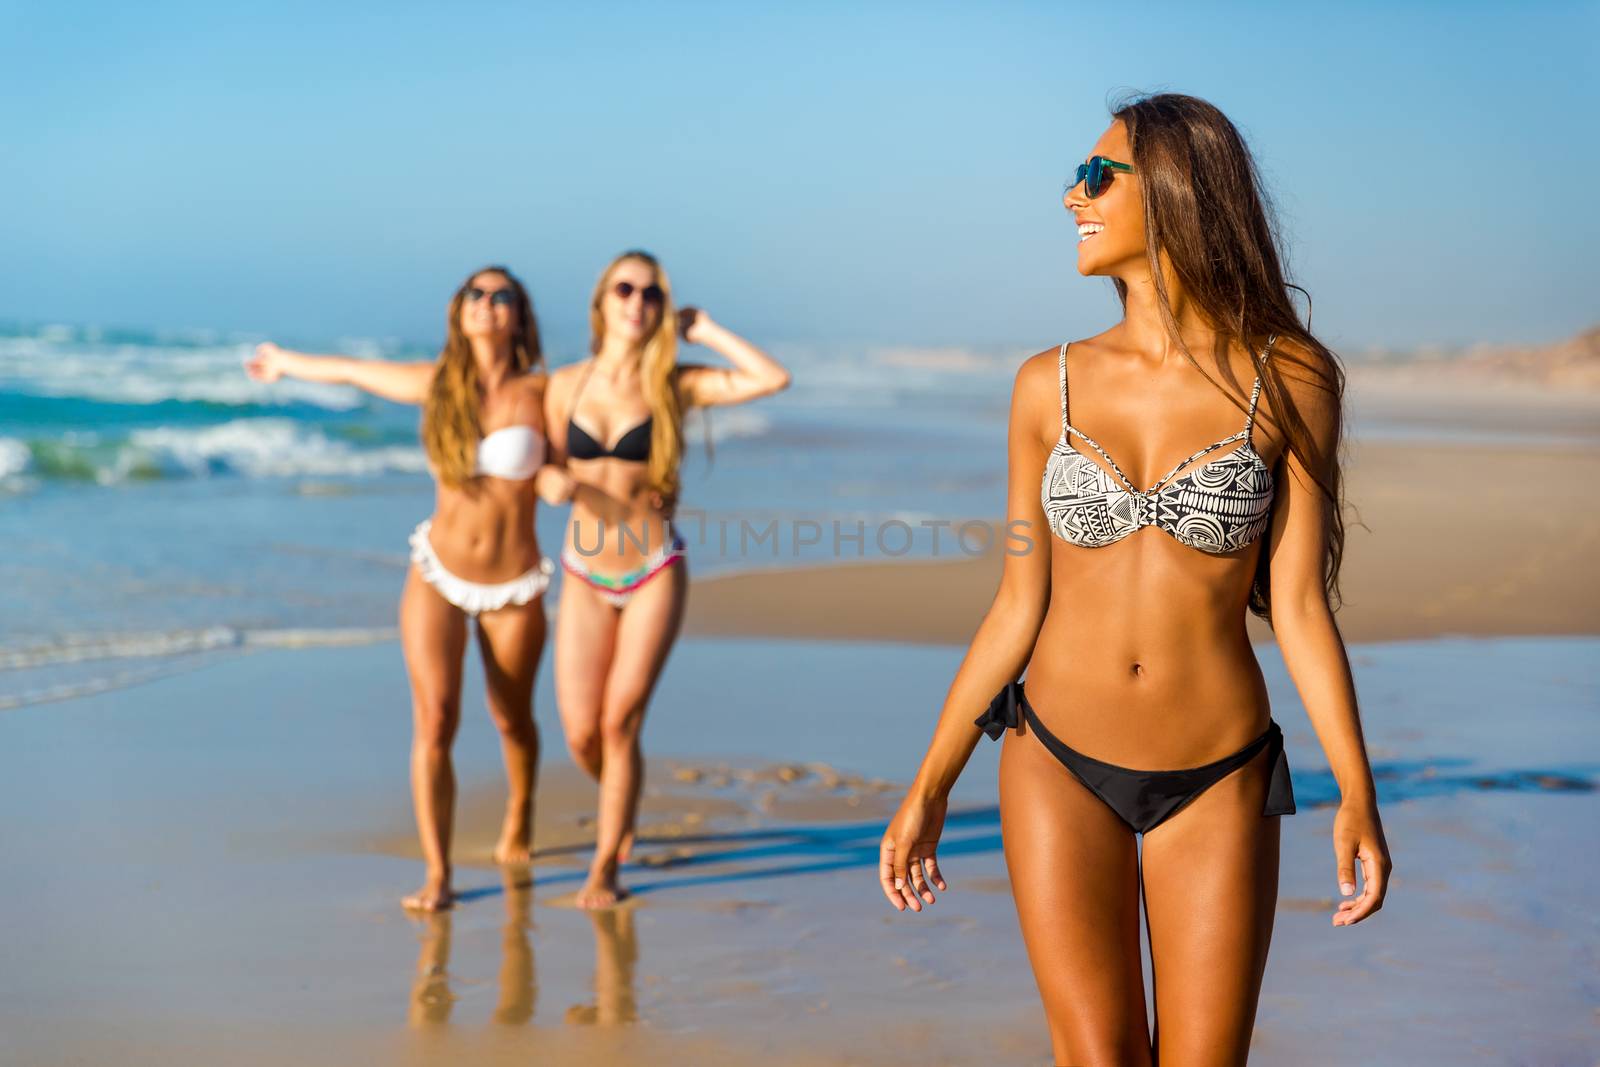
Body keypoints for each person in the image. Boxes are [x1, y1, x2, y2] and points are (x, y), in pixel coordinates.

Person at [878, 94, 1393, 1064]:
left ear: (1175, 190)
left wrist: (1357, 789)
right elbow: (1015, 604)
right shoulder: (1048, 384)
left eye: (1096, 174)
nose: (1070, 193)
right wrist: (931, 782)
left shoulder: (1289, 377)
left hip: (1219, 770)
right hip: (1054, 756)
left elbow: (1296, 606)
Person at [246, 266, 566, 912]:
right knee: (435, 720)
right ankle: (439, 872)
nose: (486, 303)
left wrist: (570, 481)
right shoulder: (436, 384)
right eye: (475, 294)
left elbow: (579, 450)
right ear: (459, 310)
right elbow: (352, 371)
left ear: (520, 316)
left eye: (501, 295)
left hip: (513, 581)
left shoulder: (544, 393)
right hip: (438, 573)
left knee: (512, 718)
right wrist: (284, 362)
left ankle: (521, 808)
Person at [543, 250, 790, 908]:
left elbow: (771, 378)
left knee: (620, 721)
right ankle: (621, 798)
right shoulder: (564, 385)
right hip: (581, 570)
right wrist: (548, 481)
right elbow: (540, 463)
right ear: (600, 302)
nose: (637, 302)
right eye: (624, 288)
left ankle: (605, 866)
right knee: (581, 732)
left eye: (651, 294)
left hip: (653, 571)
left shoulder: (673, 385)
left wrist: (703, 327)